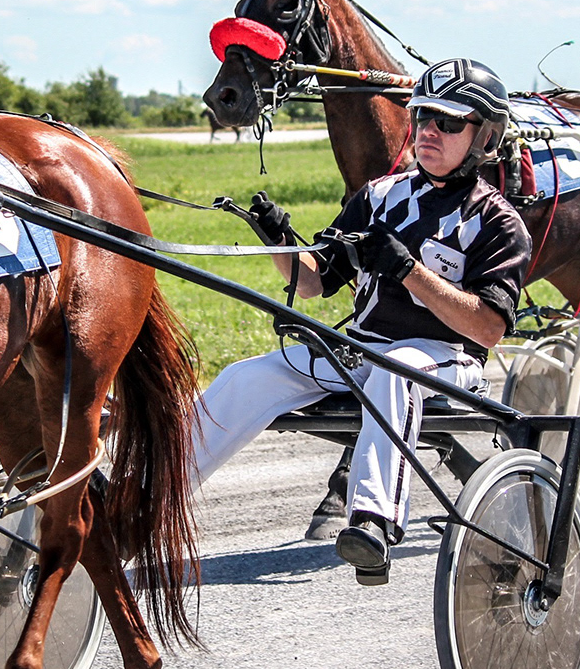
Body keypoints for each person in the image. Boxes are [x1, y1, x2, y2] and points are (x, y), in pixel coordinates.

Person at [192, 58, 533, 585]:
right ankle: (146, 497)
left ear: (485, 136)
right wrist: (279, 239)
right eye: (422, 118)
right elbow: (312, 281)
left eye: (448, 122)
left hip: (445, 362)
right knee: (247, 376)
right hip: (360, 354)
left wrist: (408, 270)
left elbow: (488, 328)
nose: (428, 132)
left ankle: (373, 522)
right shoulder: (378, 197)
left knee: (397, 366)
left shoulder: (497, 222)